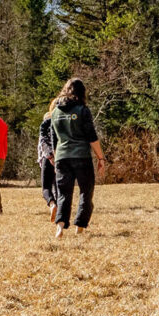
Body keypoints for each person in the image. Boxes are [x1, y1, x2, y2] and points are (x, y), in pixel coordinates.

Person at [50, 78, 106, 238]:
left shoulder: (55, 112)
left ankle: (60, 227)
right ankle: (80, 225)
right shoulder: (82, 110)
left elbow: (54, 138)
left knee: (63, 193)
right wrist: (100, 158)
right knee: (86, 191)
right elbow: (91, 136)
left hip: (61, 156)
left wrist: (55, 158)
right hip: (81, 156)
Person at [37, 98, 60, 223]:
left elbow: (42, 143)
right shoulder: (64, 122)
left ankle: (51, 204)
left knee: (46, 187)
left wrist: (48, 156)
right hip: (60, 157)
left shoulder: (46, 123)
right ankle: (60, 211)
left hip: (47, 158)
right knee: (58, 187)